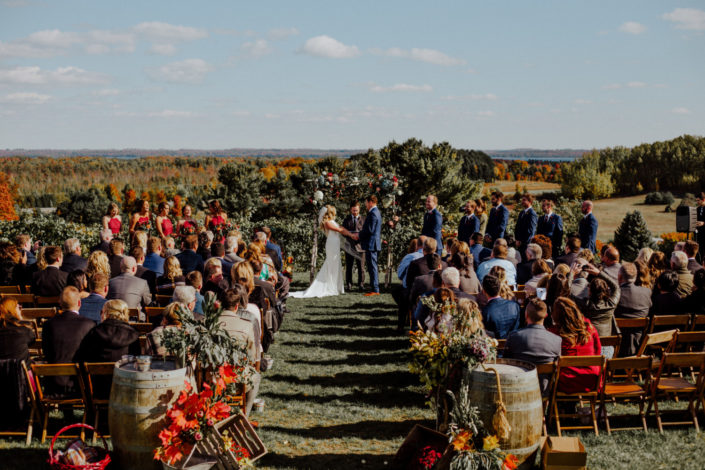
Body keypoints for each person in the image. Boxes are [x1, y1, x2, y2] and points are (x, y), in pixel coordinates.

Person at [290, 205, 354, 298]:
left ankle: (336, 286)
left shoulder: (332, 221)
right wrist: (351, 235)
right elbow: (339, 229)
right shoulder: (327, 223)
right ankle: (330, 286)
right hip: (332, 244)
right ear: (331, 213)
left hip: (335, 244)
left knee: (335, 263)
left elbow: (341, 228)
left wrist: (350, 233)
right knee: (331, 263)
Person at [42, 287, 96, 392]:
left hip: (53, 382)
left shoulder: (49, 324)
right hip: (80, 383)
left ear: (60, 303)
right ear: (79, 303)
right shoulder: (89, 325)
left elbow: (46, 352)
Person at [503, 298, 562, 392]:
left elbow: (505, 362)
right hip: (544, 390)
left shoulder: (514, 337)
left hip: (518, 388)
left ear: (526, 315)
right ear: (546, 315)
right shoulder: (556, 340)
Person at [548, 297, 602, 394]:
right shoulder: (589, 328)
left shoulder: (554, 333)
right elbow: (598, 351)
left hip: (567, 382)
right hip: (591, 379)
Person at [219, 288, 260, 415]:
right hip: (237, 378)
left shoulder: (209, 323)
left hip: (214, 377)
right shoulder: (246, 326)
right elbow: (252, 357)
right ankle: (245, 414)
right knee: (256, 377)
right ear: (237, 306)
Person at [614, 263, 652, 356]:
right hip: (639, 345)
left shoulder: (614, 295)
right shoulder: (646, 292)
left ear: (619, 277)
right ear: (635, 277)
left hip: (617, 345)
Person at [576, 263, 620, 343]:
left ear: (589, 291)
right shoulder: (611, 304)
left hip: (589, 343)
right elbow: (616, 287)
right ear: (606, 290)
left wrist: (572, 274)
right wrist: (599, 273)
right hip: (607, 344)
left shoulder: (585, 304)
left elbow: (566, 291)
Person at [356, 195, 382, 296]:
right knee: (372, 267)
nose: (365, 205)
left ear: (371, 202)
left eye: (366, 202)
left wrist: (359, 235)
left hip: (372, 244)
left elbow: (370, 230)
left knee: (372, 267)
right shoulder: (375, 212)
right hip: (372, 244)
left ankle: (375, 289)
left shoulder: (373, 213)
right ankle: (374, 288)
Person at [481, 275, 520, 339]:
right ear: (499, 289)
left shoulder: (485, 312)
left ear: (484, 291)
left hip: (495, 346)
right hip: (513, 344)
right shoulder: (514, 306)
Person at [0, 297, 36, 362]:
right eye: (18, 307)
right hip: (21, 370)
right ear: (12, 310)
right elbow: (32, 339)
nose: (20, 309)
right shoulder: (24, 327)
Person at [342, 202, 366, 291]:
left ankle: (361, 284)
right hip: (349, 246)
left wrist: (359, 236)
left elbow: (367, 232)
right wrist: (350, 235)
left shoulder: (364, 219)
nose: (355, 212)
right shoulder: (346, 220)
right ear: (350, 210)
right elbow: (343, 232)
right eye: (353, 210)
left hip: (361, 246)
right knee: (349, 267)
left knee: (361, 267)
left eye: (356, 210)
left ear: (359, 209)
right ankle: (349, 284)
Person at [514, 194, 538, 258]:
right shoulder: (522, 213)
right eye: (522, 200)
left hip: (526, 244)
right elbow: (517, 227)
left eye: (524, 200)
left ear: (530, 201)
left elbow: (531, 230)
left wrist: (524, 243)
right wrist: (517, 239)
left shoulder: (532, 213)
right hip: (519, 243)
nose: (522, 202)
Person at [696, 192, 705, 263]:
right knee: (700, 252)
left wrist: (704, 223)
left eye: (698, 200)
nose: (697, 202)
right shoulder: (698, 209)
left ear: (703, 199)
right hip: (699, 235)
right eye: (696, 200)